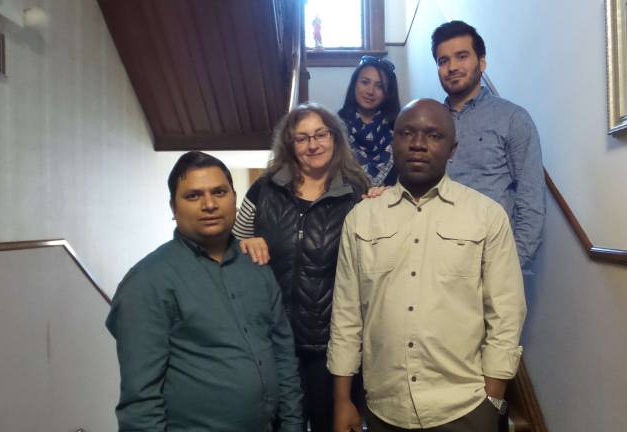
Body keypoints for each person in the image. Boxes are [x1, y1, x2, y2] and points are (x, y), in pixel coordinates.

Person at [328, 99, 526, 432]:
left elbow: (506, 312)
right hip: (384, 407)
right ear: (394, 142)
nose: (418, 144)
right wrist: (342, 399)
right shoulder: (362, 218)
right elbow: (346, 315)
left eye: (434, 135)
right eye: (407, 133)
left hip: (464, 407)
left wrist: (492, 398)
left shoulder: (487, 216)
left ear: (452, 148)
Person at [106, 151, 304, 432]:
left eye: (219, 192)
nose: (209, 204)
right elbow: (140, 401)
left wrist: (293, 424)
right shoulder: (147, 282)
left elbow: (283, 355)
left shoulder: (257, 265)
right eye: (193, 196)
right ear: (173, 208)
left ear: (235, 199)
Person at [232, 103, 369, 432]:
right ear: (289, 145)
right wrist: (244, 244)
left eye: (321, 134)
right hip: (273, 342)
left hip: (332, 348)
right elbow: (230, 247)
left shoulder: (358, 193)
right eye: (302, 138)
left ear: (334, 138)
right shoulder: (263, 190)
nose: (313, 145)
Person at [432, 20, 545, 268]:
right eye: (443, 61)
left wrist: (510, 266)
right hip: (433, 262)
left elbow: (531, 201)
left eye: (462, 56)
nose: (452, 67)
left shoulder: (513, 119)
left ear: (482, 62)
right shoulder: (429, 123)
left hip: (491, 260)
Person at [338, 55, 401, 186]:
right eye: (365, 82)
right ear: (354, 84)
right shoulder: (335, 127)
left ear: (387, 93)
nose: (370, 91)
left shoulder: (399, 129)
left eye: (379, 86)